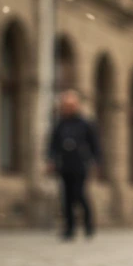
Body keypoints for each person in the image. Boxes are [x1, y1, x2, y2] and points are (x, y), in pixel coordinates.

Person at [45, 90, 102, 240]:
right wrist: (50, 159)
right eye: (65, 105)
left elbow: (94, 144)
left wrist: (96, 161)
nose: (68, 108)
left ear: (76, 106)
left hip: (80, 164)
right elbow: (53, 144)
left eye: (71, 105)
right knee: (66, 197)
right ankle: (69, 229)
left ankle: (88, 226)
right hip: (65, 164)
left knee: (80, 194)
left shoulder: (85, 123)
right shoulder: (60, 124)